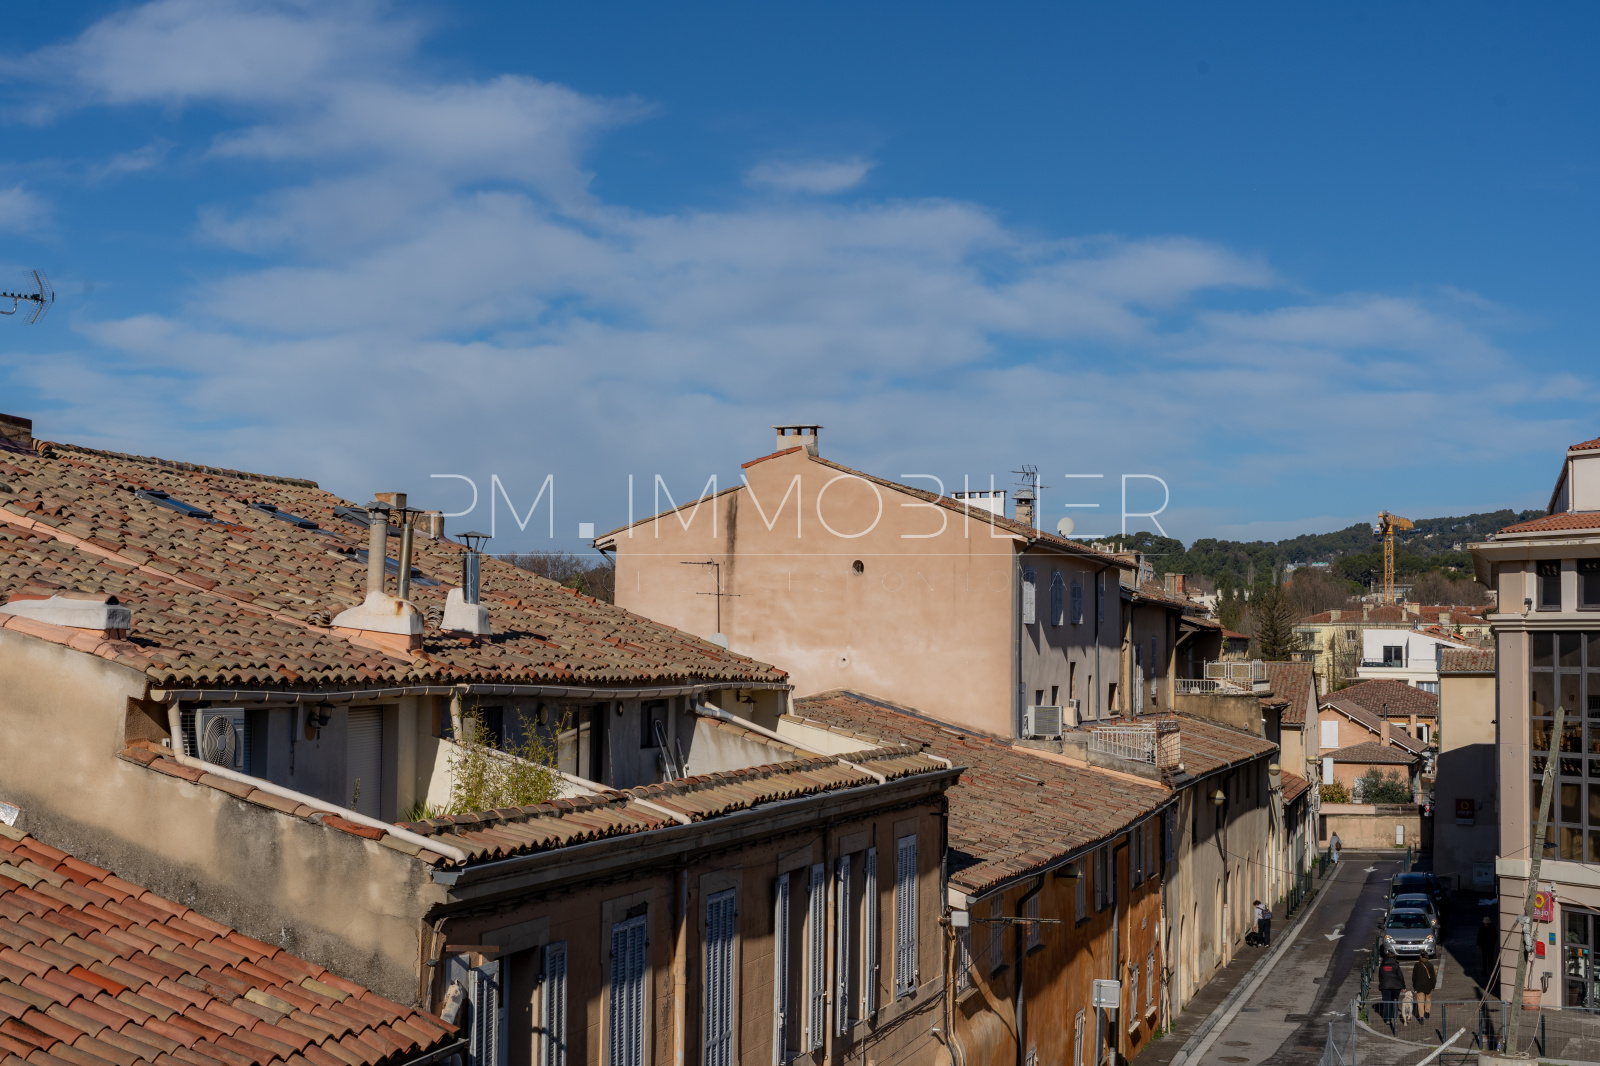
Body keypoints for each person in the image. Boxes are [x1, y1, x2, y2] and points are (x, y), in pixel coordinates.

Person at [1377, 955, 1406, 1030]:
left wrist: (1382, 983)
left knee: (1386, 1002)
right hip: (1396, 986)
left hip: (1385, 986)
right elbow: (1400, 976)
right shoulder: (1396, 965)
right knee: (1395, 1000)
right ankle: (1395, 1015)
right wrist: (1403, 986)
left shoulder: (1382, 965)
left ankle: (1387, 1019)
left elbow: (1380, 976)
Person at [1412, 954, 1436, 1020]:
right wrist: (1433, 985)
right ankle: (1427, 1013)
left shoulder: (1417, 965)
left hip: (1419, 986)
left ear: (1421, 956)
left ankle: (1421, 1016)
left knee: (1420, 1001)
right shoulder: (1430, 965)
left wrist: (1414, 986)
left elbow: (1414, 977)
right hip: (1428, 985)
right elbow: (1433, 976)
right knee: (1428, 999)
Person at [1478, 916, 1498, 986]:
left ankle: (1489, 970)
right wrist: (1478, 944)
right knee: (1484, 958)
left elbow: (1495, 936)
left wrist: (1493, 942)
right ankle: (1485, 971)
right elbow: (1479, 936)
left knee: (1490, 958)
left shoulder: (1492, 927)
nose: (1486, 924)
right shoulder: (1482, 927)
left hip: (1490, 945)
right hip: (1485, 945)